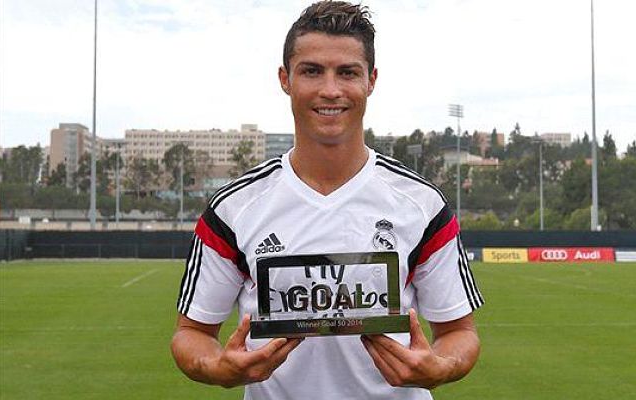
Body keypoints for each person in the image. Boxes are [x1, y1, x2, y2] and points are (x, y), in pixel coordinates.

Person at [171, 1, 484, 398]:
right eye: (312, 71)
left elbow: (459, 332)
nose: (330, 90)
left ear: (371, 80)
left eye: (347, 72)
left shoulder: (422, 204)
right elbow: (191, 333)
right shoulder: (234, 208)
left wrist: (441, 365)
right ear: (285, 79)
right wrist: (217, 366)